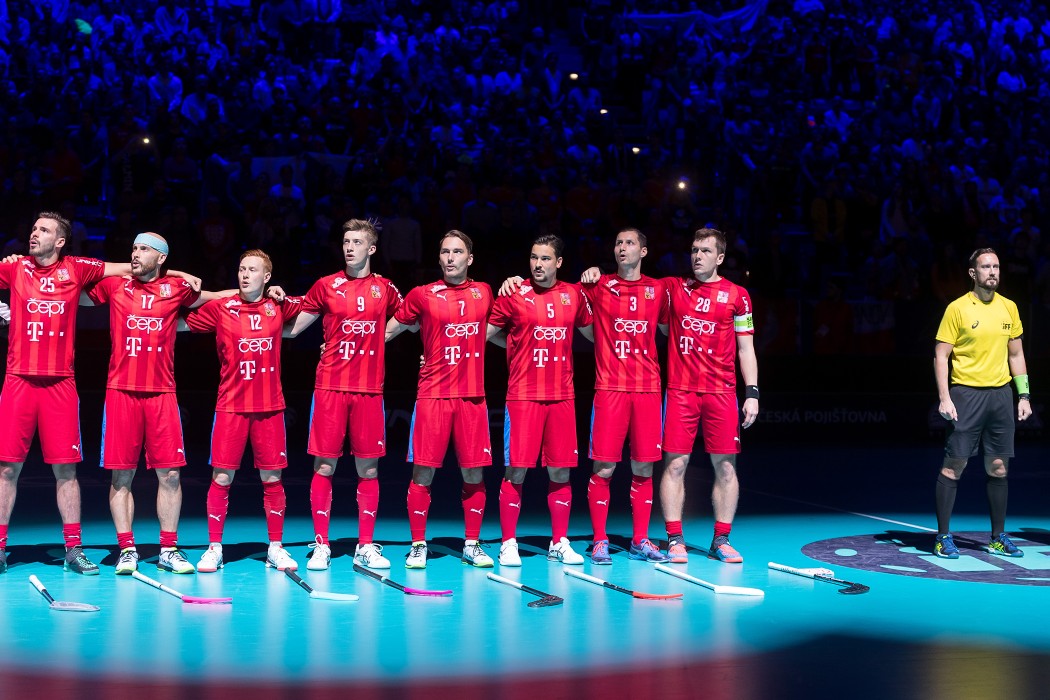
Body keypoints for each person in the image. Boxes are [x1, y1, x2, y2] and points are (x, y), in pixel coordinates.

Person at [0, 214, 192, 575]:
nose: (33, 233)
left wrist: (175, 273)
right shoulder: (15, 268)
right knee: (6, 468)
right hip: (18, 381)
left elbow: (127, 267)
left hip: (60, 384)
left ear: (60, 241)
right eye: (33, 228)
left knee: (66, 471)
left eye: (43, 230)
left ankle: (73, 549)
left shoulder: (77, 268)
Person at [84, 232, 212, 575]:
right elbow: (74, 292)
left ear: (161, 258)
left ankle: (168, 548)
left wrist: (267, 296)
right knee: (121, 476)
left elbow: (216, 298)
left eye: (143, 249)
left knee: (169, 474)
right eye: (134, 247)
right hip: (121, 392)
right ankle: (127, 548)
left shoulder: (176, 289)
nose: (135, 253)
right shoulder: (115, 286)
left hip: (162, 394)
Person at [282, 219, 403, 571]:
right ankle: (322, 544)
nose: (349, 247)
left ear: (372, 249)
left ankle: (365, 544)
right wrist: (270, 302)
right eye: (345, 241)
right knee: (324, 465)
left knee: (368, 468)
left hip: (369, 390)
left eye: (356, 242)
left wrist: (380, 337)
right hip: (330, 388)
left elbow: (412, 317)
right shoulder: (326, 285)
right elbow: (293, 331)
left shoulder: (386, 288)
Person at [184, 250, 303, 573]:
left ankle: (276, 547)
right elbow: (181, 319)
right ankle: (214, 547)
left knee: (272, 477)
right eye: (241, 269)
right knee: (221, 477)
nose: (245, 274)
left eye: (253, 270)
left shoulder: (278, 305)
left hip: (270, 407)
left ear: (266, 277)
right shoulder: (222, 308)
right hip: (231, 407)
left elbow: (314, 306)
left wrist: (283, 294)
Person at [386, 230, 495, 569]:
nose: (450, 257)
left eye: (457, 252)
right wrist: (343, 344)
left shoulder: (485, 292)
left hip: (471, 398)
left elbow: (500, 325)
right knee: (423, 474)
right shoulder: (422, 295)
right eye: (445, 251)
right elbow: (388, 330)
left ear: (469, 258)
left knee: (473, 474)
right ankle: (419, 545)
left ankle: (473, 544)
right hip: (432, 396)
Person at [487, 235, 592, 566]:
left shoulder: (573, 295)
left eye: (545, 259)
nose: (538, 265)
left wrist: (596, 286)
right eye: (534, 258)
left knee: (560, 471)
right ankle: (508, 542)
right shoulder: (513, 294)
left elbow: (594, 332)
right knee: (516, 470)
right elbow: (484, 334)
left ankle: (559, 541)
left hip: (562, 397)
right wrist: (515, 344)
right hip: (523, 397)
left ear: (558, 262)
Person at [659, 228, 759, 564]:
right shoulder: (673, 289)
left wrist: (752, 393)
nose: (697, 256)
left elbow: (746, 349)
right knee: (675, 465)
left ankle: (722, 539)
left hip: (721, 393)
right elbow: (636, 282)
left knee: (726, 468)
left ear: (719, 257)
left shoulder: (737, 295)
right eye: (693, 250)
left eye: (705, 251)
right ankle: (675, 539)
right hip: (681, 392)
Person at [576, 228, 671, 564]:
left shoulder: (658, 289)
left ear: (644, 251)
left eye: (629, 243)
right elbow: (558, 295)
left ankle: (640, 539)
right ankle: (600, 540)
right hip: (610, 388)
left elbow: (668, 330)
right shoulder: (598, 285)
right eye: (618, 242)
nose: (622, 248)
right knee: (603, 468)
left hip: (647, 389)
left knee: (643, 467)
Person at [933, 248, 1031, 559]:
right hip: (966, 394)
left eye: (997, 266)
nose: (993, 272)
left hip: (1000, 396)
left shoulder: (1009, 308)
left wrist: (1024, 395)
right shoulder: (957, 309)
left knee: (999, 467)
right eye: (986, 267)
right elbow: (941, 355)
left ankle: (998, 537)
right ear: (973, 273)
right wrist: (944, 397)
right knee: (955, 466)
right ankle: (942, 537)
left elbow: (1015, 355)